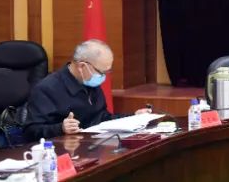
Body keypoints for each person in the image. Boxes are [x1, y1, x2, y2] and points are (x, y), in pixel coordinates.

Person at [23, 40, 151, 141]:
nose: (103, 77)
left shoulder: (89, 81)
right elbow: (30, 131)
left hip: (93, 145)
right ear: (82, 66)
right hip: (62, 153)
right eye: (101, 72)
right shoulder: (47, 89)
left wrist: (134, 116)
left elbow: (102, 118)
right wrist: (60, 128)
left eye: (107, 72)